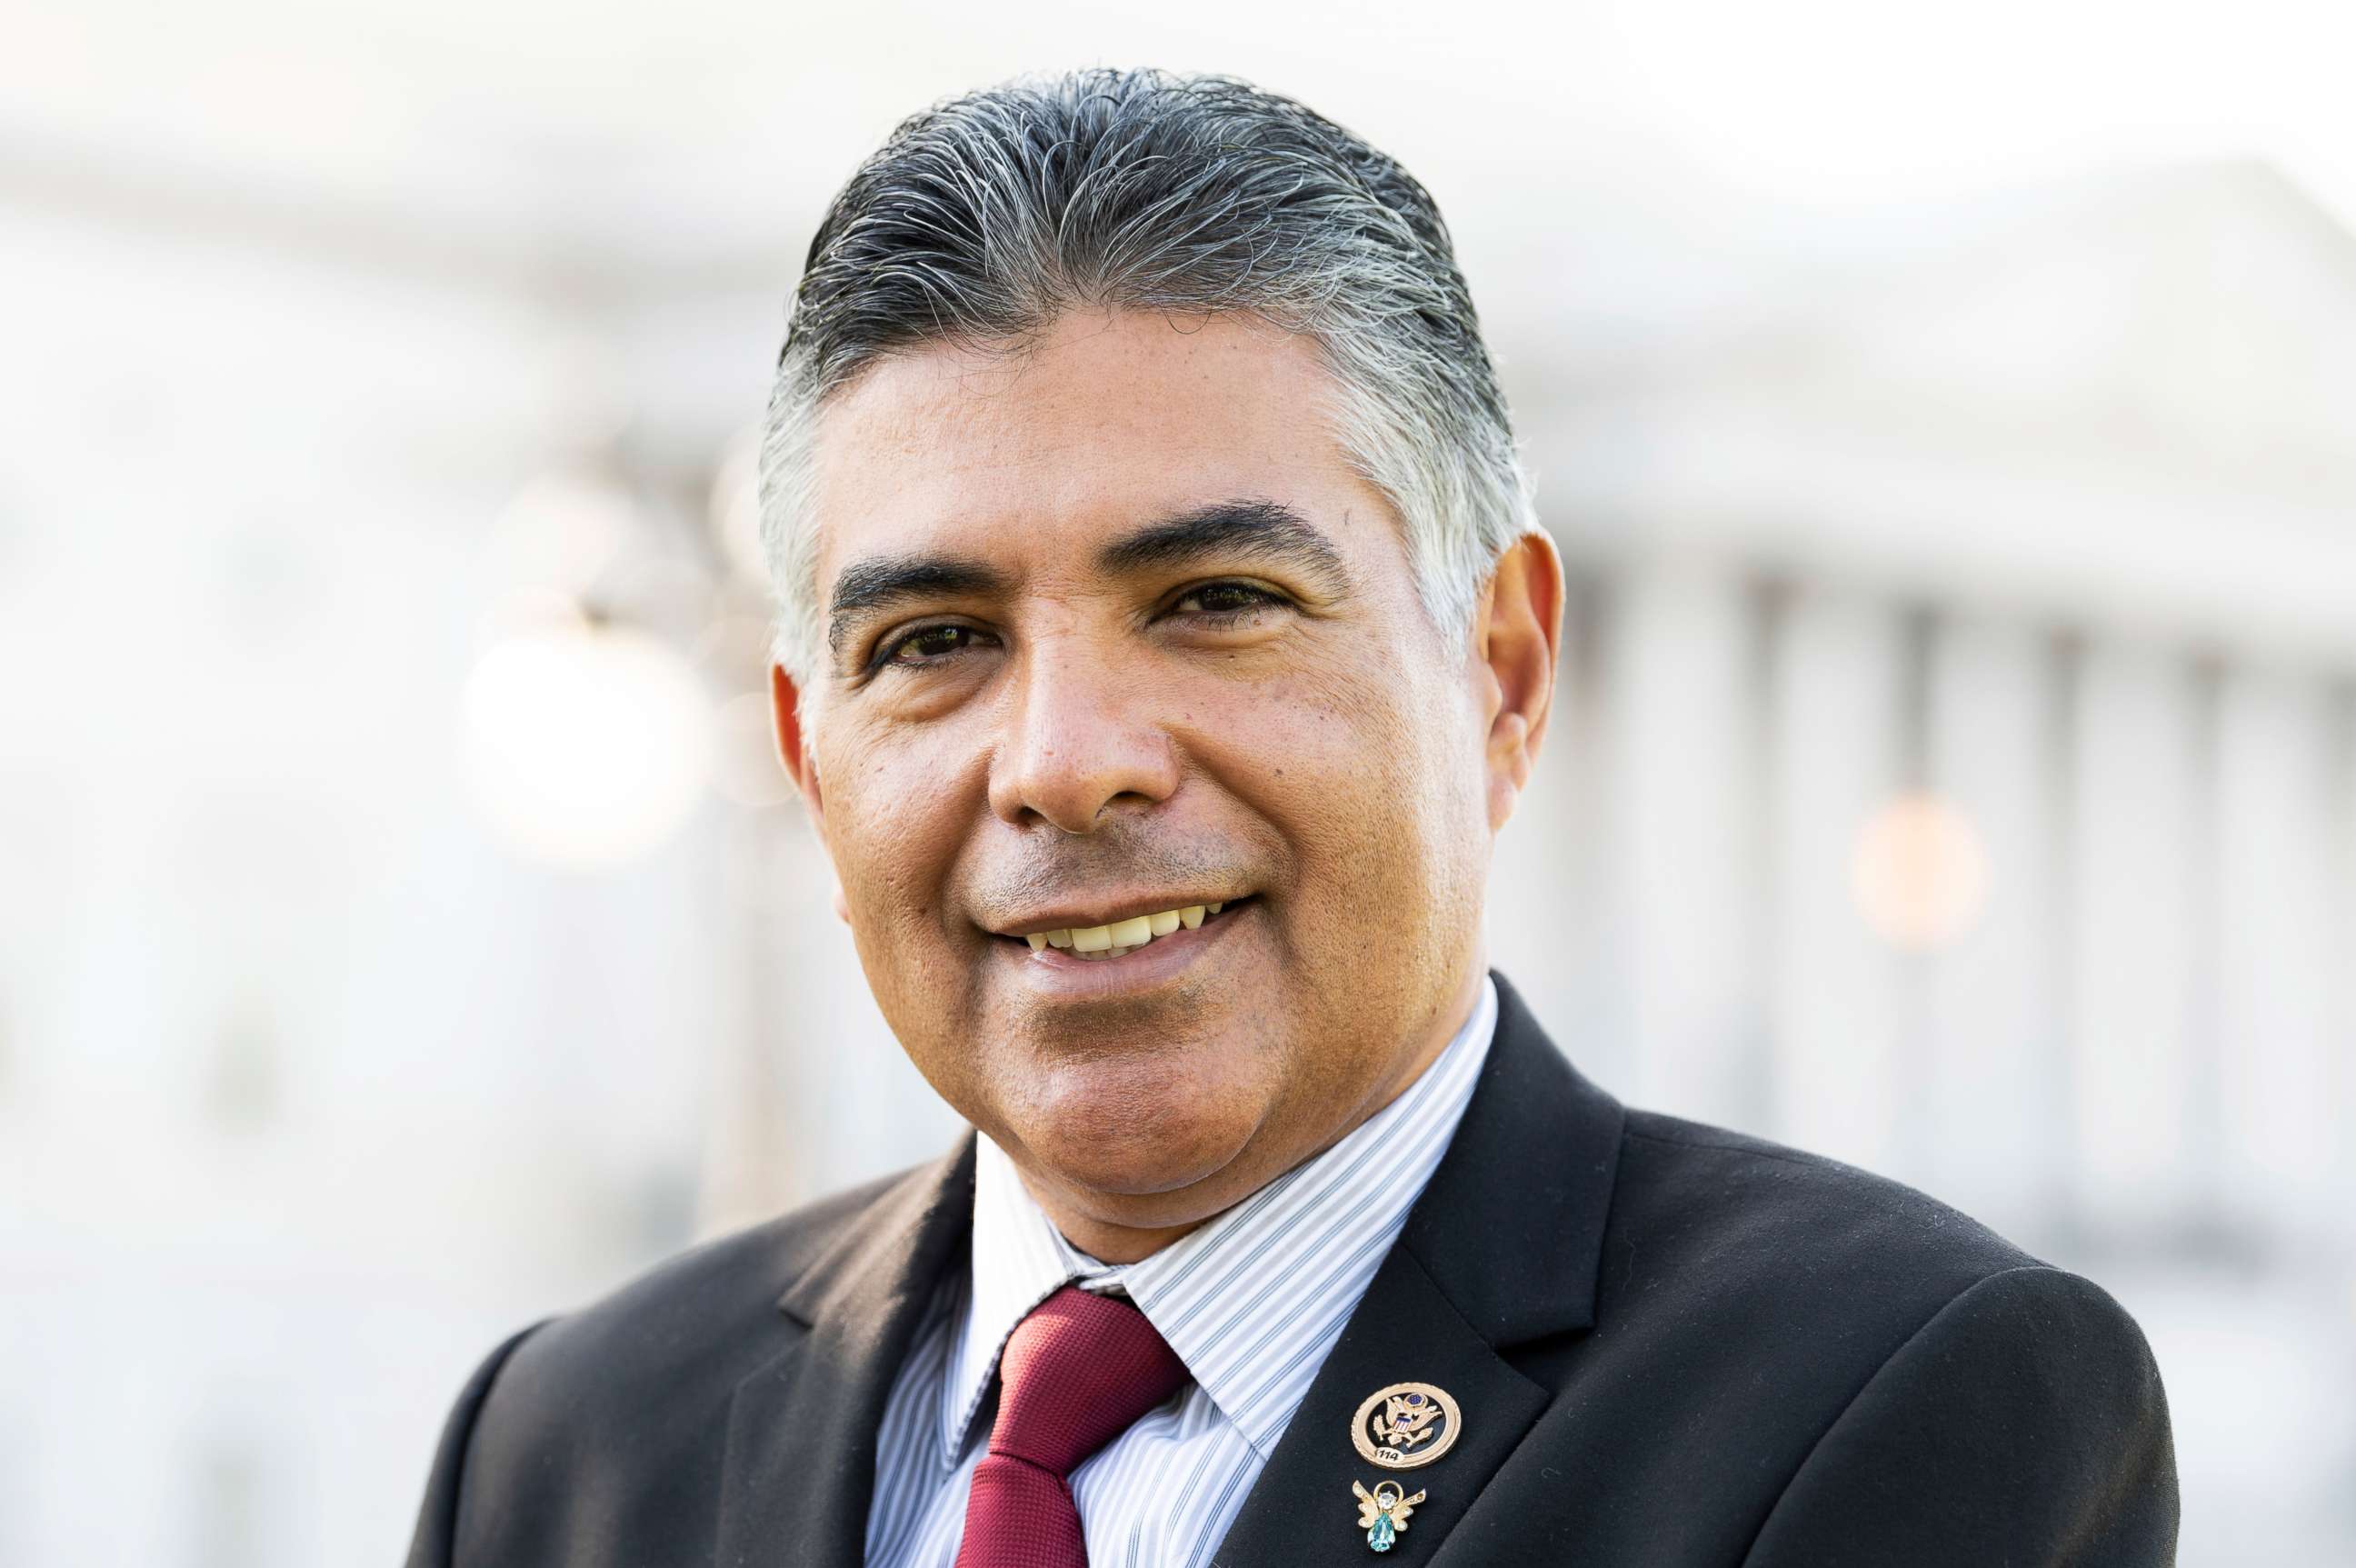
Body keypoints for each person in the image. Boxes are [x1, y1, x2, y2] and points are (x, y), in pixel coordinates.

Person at [404, 68, 2177, 1568]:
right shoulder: (570, 1451)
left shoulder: (1892, 1396)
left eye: (1213, 600)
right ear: (807, 754)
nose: (1064, 760)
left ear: (1499, 671)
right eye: (934, 642)